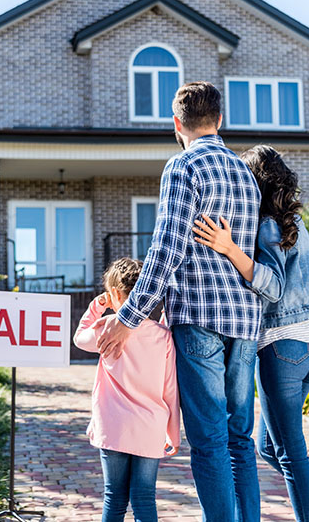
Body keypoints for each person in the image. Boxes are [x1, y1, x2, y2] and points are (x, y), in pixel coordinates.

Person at [95, 82, 262, 522]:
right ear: (220, 120)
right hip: (245, 322)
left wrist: (128, 317)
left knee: (209, 442)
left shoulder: (183, 165)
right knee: (239, 441)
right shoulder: (247, 174)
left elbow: (166, 248)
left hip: (201, 321)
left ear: (177, 124)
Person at [193, 145, 309, 522]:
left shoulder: (266, 225)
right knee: (267, 446)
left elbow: (274, 286)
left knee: (293, 456)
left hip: (282, 349)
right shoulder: (296, 223)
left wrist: (230, 249)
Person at [74, 257, 180, 522]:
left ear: (113, 295)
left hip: (113, 426)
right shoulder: (163, 336)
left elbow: (79, 337)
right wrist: (173, 434)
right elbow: (170, 391)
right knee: (144, 497)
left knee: (115, 496)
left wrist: (97, 307)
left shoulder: (105, 328)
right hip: (150, 427)